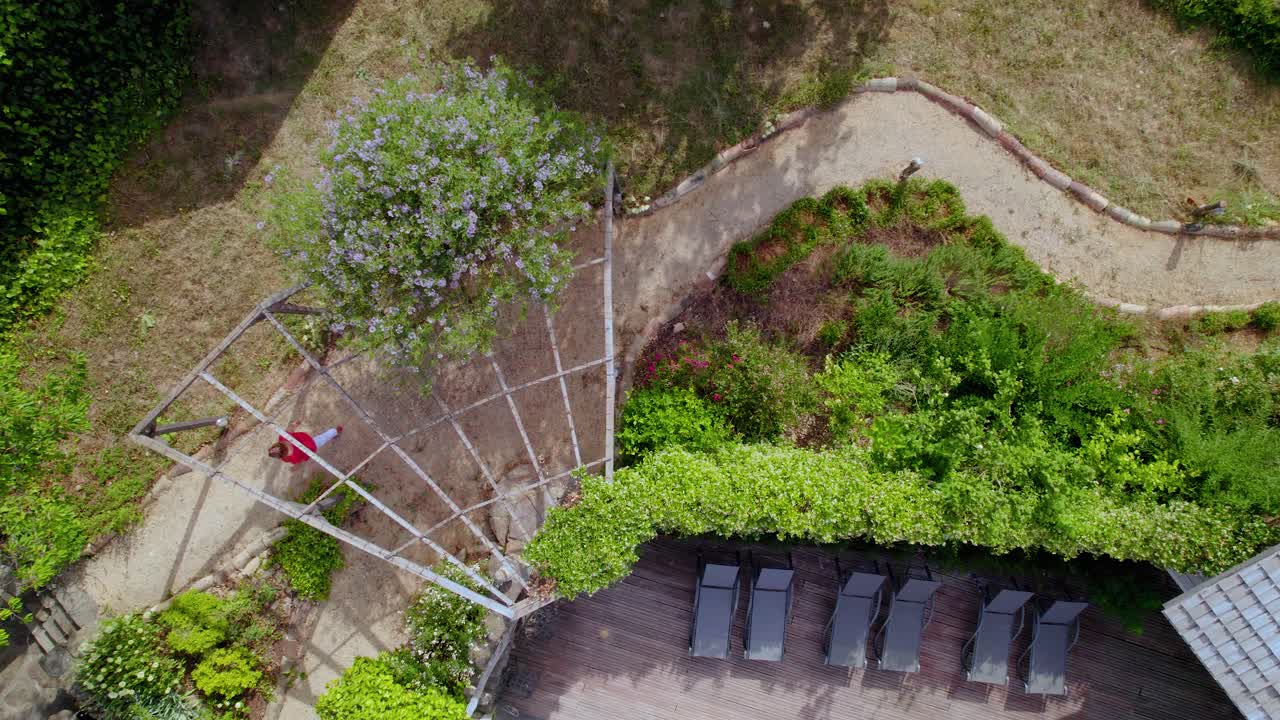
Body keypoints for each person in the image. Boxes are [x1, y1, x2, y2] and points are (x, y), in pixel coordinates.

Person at [267, 423, 342, 464]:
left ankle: (334, 433)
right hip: (311, 445)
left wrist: (294, 424)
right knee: (323, 438)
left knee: (322, 438)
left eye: (272, 449)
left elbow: (288, 430)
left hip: (306, 440)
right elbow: (299, 460)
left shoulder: (281, 439)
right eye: (274, 451)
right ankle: (335, 431)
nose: (274, 449)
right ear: (279, 454)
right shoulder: (288, 457)